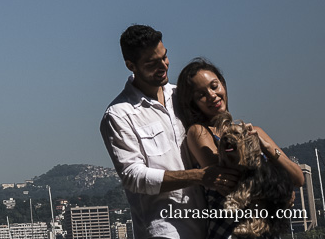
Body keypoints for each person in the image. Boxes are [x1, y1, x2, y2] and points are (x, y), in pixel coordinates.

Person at [101, 25, 236, 239]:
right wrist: (199, 176)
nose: (163, 66)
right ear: (130, 65)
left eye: (164, 57)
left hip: (211, 227)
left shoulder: (183, 95)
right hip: (164, 230)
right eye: (152, 63)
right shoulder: (119, 115)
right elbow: (133, 176)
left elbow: (221, 132)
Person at [174, 58, 305, 239]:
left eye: (214, 86)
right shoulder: (199, 132)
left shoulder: (255, 132)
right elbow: (228, 184)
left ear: (223, 84)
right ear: (193, 103)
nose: (212, 95)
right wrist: (279, 194)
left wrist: (265, 147)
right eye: (201, 95)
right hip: (230, 230)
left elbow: (298, 178)